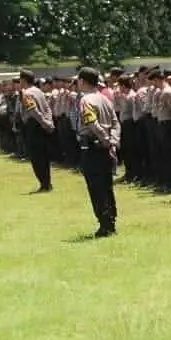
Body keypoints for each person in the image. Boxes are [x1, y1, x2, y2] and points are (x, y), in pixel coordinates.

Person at [76, 67, 121, 237]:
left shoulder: (86, 100)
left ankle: (105, 224)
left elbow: (92, 124)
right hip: (106, 147)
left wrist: (105, 140)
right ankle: (111, 219)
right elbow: (116, 123)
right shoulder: (105, 99)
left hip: (93, 147)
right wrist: (113, 142)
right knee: (107, 185)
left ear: (82, 81)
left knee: (96, 187)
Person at [20, 70, 56, 192]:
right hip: (44, 124)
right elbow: (47, 108)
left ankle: (44, 184)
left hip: (35, 125)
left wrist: (44, 123)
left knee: (37, 157)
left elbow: (33, 111)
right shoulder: (39, 91)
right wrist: (49, 122)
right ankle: (47, 182)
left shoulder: (27, 93)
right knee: (44, 156)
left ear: (23, 80)